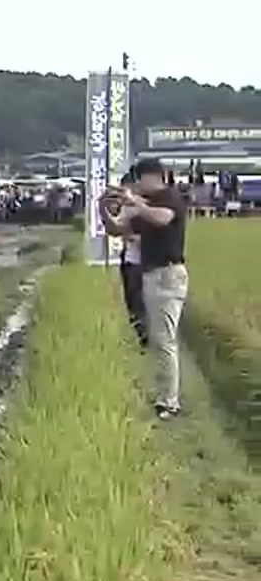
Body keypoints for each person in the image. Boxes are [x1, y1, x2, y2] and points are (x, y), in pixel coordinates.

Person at [102, 158, 187, 419]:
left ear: (152, 177)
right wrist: (102, 209)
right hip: (151, 276)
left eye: (139, 179)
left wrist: (135, 202)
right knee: (157, 338)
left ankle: (169, 402)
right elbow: (117, 230)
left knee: (164, 341)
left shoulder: (170, 198)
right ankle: (164, 395)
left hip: (168, 275)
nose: (137, 185)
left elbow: (162, 219)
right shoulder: (146, 206)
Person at [112, 170, 148, 351]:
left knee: (142, 302)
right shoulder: (126, 207)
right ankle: (141, 338)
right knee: (132, 302)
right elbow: (116, 228)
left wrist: (130, 235)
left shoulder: (149, 206)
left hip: (146, 263)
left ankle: (147, 339)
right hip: (129, 259)